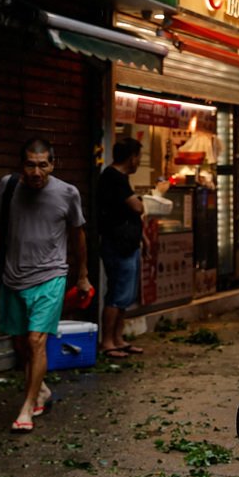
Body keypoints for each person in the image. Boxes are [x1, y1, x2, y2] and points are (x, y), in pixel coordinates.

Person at [0, 138, 92, 432]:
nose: (36, 171)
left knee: (35, 340)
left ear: (52, 165)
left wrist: (82, 275)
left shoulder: (68, 193)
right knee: (20, 342)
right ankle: (40, 390)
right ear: (21, 165)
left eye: (43, 165)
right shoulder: (8, 186)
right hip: (13, 278)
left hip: (50, 277)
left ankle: (27, 408)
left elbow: (79, 235)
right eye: (30, 164)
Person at [97, 138, 146, 360]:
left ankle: (118, 338)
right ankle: (108, 341)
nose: (139, 162)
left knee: (125, 295)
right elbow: (136, 206)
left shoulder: (120, 178)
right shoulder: (113, 177)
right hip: (118, 245)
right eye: (138, 157)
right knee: (117, 294)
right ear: (131, 157)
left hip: (127, 244)